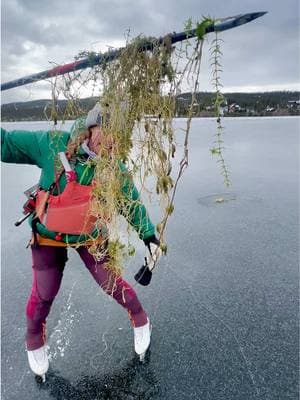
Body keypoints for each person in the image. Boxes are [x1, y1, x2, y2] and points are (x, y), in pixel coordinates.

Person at [1, 103, 161, 379]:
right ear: (91, 127)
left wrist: (150, 237)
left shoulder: (113, 168)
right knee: (44, 293)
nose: (111, 143)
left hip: (90, 234)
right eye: (107, 133)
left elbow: (132, 204)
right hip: (49, 235)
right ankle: (34, 339)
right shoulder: (53, 144)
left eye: (118, 138)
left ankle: (140, 319)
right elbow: (5, 144)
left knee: (110, 282)